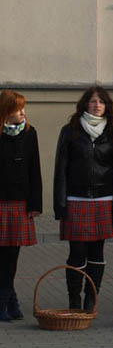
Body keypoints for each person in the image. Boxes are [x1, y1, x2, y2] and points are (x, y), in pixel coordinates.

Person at [54, 86, 113, 311]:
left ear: (107, 106)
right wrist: (60, 203)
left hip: (103, 200)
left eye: (101, 102)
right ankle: (74, 299)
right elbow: (61, 169)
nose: (97, 105)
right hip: (76, 200)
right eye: (93, 101)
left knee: (97, 252)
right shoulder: (70, 131)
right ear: (85, 104)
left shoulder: (112, 133)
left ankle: (91, 298)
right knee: (77, 252)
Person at [0, 90, 42, 321]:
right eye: (18, 109)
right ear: (6, 111)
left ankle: (7, 300)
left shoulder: (29, 133)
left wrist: (35, 203)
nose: (23, 113)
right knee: (2, 256)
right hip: (1, 201)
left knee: (12, 256)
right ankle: (7, 301)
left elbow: (35, 169)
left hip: (20, 202)